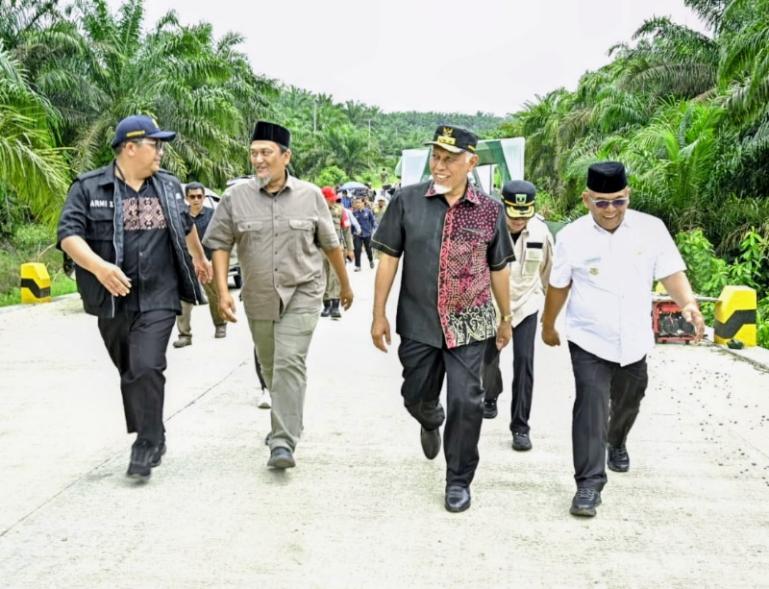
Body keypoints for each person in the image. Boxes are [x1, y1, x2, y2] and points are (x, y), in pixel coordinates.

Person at [541, 161, 705, 517]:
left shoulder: (651, 229)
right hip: (588, 337)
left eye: (618, 201)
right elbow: (558, 286)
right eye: (601, 202)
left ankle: (617, 439)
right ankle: (588, 486)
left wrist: (689, 303)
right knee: (591, 403)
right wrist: (548, 324)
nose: (611, 210)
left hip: (634, 339)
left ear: (628, 195)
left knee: (630, 398)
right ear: (586, 199)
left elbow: (671, 273)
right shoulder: (571, 236)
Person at [57, 114, 212, 480]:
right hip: (113, 298)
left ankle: (146, 441)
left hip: (160, 293)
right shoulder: (89, 187)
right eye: (154, 144)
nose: (160, 151)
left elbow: (186, 227)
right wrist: (100, 268)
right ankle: (153, 430)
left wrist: (200, 259)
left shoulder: (171, 186)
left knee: (147, 365)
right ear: (129, 147)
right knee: (130, 371)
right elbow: (68, 235)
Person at [371, 125, 515, 513]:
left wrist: (505, 316)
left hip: (471, 322)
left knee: (468, 401)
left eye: (450, 159)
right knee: (415, 394)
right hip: (419, 321)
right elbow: (388, 259)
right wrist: (378, 313)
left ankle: (458, 479)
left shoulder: (490, 211)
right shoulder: (407, 201)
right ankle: (429, 417)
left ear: (471, 162)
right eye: (436, 156)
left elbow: (499, 266)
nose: (440, 165)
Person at [203, 121, 353, 470]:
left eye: (266, 153)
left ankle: (283, 442)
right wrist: (223, 291)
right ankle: (289, 418)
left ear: (286, 156)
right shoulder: (234, 198)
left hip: (303, 291)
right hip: (258, 295)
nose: (258, 160)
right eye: (254, 153)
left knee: (289, 362)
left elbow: (331, 245)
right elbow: (221, 244)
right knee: (271, 367)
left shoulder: (310, 195)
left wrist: (345, 285)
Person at [481, 180, 553, 453]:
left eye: (525, 215)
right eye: (513, 214)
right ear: (503, 206)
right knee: (487, 361)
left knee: (524, 364)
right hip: (492, 305)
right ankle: (490, 395)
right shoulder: (488, 228)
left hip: (526, 304)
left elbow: (548, 273)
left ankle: (520, 426)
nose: (519, 221)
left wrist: (551, 313)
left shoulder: (541, 231)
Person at [172, 182, 227, 348]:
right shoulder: (180, 216)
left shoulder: (213, 214)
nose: (196, 200)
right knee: (184, 298)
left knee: (214, 294)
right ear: (186, 198)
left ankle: (220, 325)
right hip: (186, 262)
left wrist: (212, 260)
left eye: (199, 196)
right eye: (192, 196)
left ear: (204, 197)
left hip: (208, 262)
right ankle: (184, 334)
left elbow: (221, 237)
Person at [320, 186, 354, 319]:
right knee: (323, 276)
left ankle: (335, 306)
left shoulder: (341, 210)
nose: (333, 201)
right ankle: (326, 304)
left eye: (334, 199)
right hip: (320, 249)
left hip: (337, 248)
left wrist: (350, 249)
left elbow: (346, 230)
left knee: (336, 276)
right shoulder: (315, 211)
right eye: (330, 199)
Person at [351, 196, 377, 271]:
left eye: (359, 202)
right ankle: (358, 266)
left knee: (368, 249)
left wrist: (372, 230)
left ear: (363, 203)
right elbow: (353, 224)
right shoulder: (354, 213)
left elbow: (372, 221)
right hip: (357, 234)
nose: (357, 204)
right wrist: (352, 233)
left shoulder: (368, 211)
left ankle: (371, 260)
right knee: (357, 249)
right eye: (356, 202)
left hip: (367, 234)